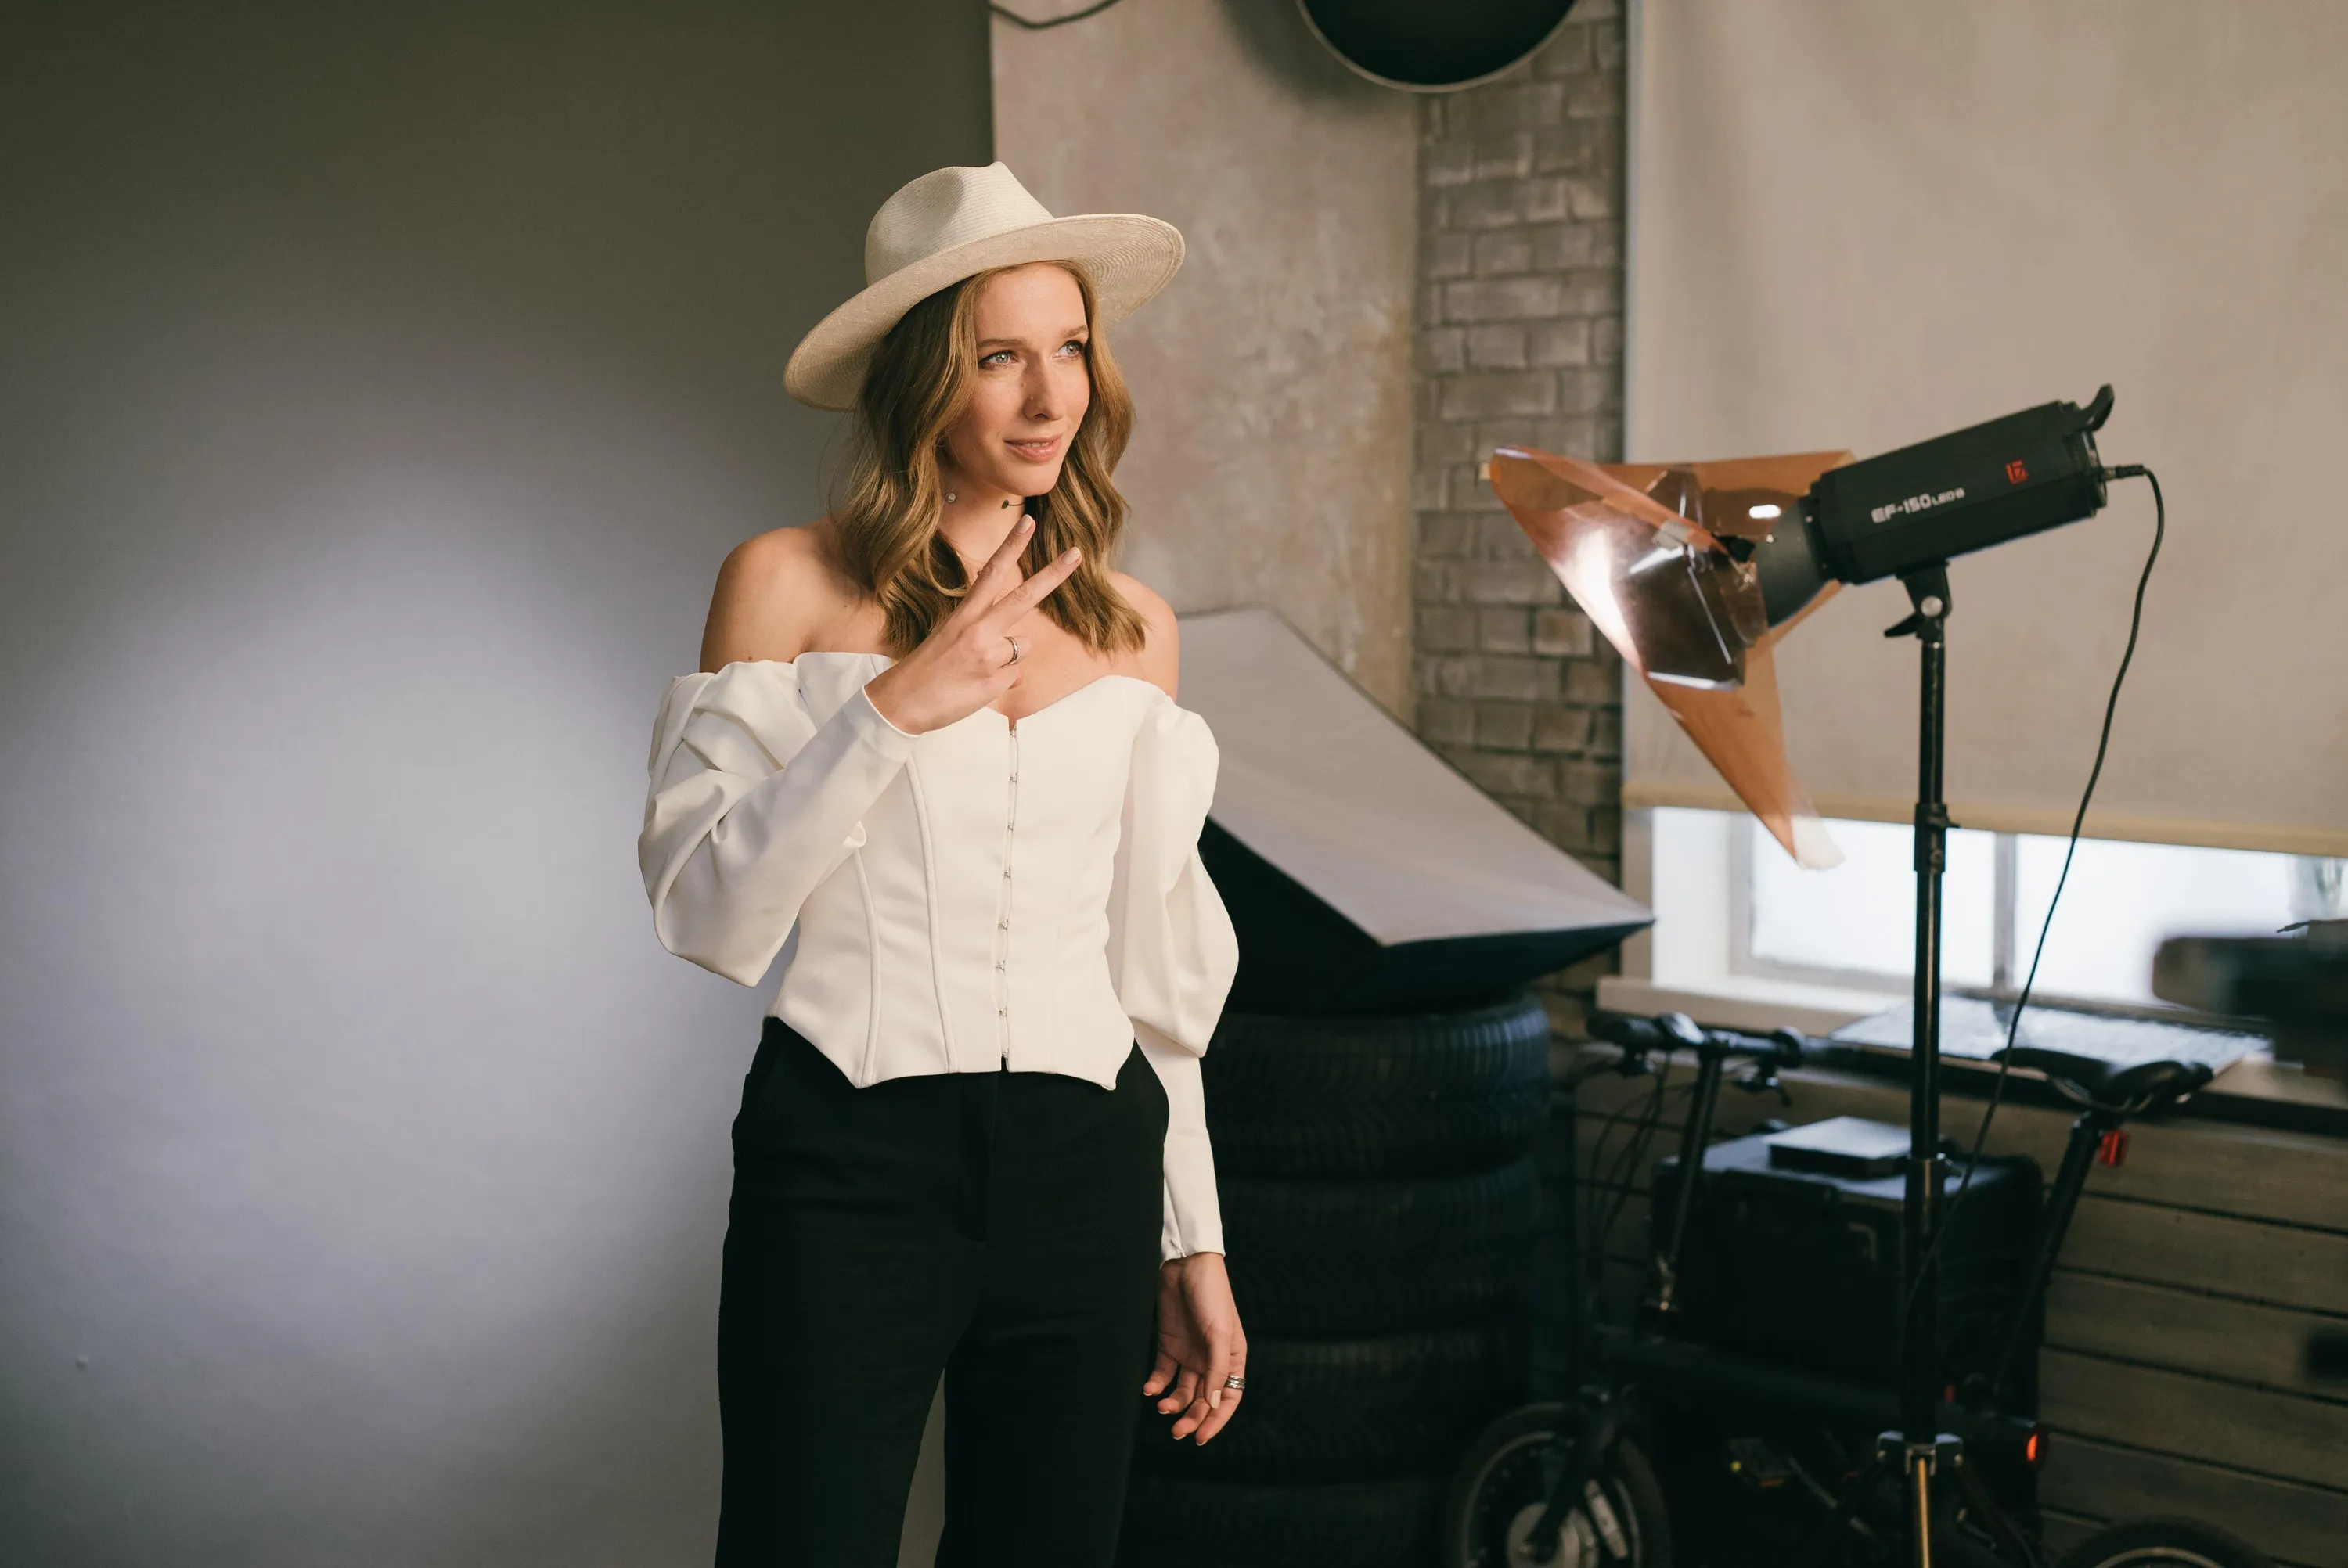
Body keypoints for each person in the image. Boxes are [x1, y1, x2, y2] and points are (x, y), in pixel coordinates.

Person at [636, 162, 1248, 1568]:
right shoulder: (784, 584)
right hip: (848, 1164)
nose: (1050, 398)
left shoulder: (1138, 629)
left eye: (1070, 349)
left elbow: (1153, 974)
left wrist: (1192, 1237)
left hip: (1089, 1170)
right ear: (923, 381)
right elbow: (710, 914)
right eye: (997, 358)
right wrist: (897, 707)